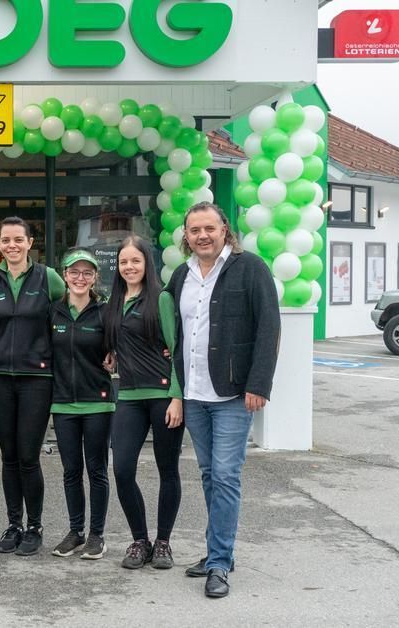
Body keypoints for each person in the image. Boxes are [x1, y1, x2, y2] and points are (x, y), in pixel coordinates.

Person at [166, 202, 280, 598]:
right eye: (194, 229)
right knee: (210, 474)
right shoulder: (181, 276)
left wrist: (259, 383)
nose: (202, 235)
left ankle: (218, 563)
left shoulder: (250, 269)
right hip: (195, 394)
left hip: (233, 392)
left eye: (209, 228)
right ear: (186, 235)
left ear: (224, 230)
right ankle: (220, 552)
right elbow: (173, 333)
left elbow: (269, 327)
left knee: (227, 476)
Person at [0, 217, 67, 556]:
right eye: (6, 240)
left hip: (37, 377)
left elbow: (75, 307)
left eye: (19, 239)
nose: (12, 245)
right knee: (8, 456)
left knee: (28, 456)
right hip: (0, 377)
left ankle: (35, 526)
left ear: (31, 243)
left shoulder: (48, 278)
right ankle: (13, 524)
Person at [103, 235, 184, 570]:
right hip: (130, 397)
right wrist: (112, 358)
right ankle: (140, 540)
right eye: (124, 262)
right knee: (122, 469)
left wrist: (177, 397)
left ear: (147, 264)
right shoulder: (115, 301)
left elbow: (176, 348)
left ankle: (163, 542)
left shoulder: (161, 299)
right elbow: (117, 343)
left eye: (135, 261)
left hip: (164, 396)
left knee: (168, 469)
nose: (129, 267)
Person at [47, 249, 115, 561]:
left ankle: (97, 535)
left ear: (95, 278)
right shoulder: (53, 312)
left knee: (97, 470)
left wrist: (116, 358)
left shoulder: (105, 312)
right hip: (63, 404)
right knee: (71, 471)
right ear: (65, 275)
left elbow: (123, 345)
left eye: (87, 273)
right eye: (74, 272)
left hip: (98, 403)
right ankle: (76, 531)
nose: (80, 278)